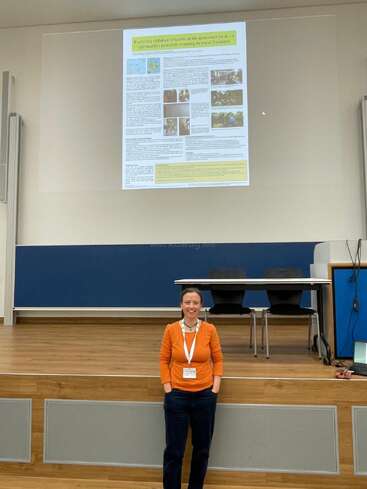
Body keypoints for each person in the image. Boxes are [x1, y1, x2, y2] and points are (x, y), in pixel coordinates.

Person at [160, 287, 223, 489]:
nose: (191, 306)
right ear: (181, 306)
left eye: (195, 302)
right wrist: (168, 387)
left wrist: (215, 389)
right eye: (187, 302)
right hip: (177, 396)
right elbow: (163, 360)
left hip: (205, 396)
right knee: (174, 450)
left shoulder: (209, 330)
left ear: (201, 306)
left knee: (202, 449)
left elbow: (218, 360)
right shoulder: (171, 329)